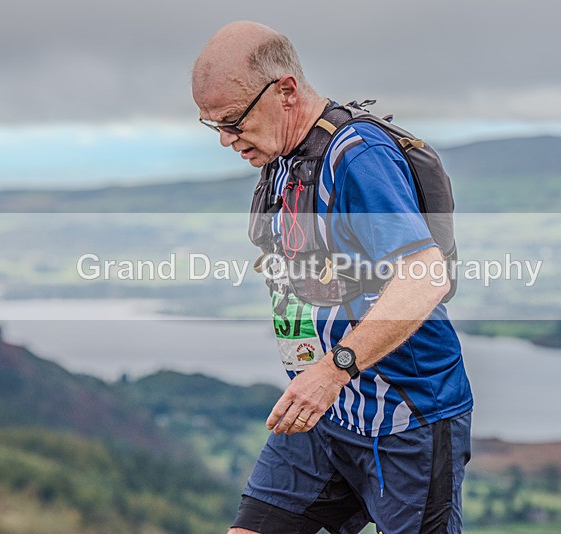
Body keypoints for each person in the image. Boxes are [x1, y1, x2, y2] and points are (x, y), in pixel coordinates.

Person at [192, 21, 473, 534]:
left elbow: (424, 277)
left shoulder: (358, 157)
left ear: (286, 91)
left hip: (405, 417)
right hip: (325, 416)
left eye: (233, 121)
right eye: (214, 126)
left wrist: (332, 368)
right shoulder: (285, 156)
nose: (226, 140)